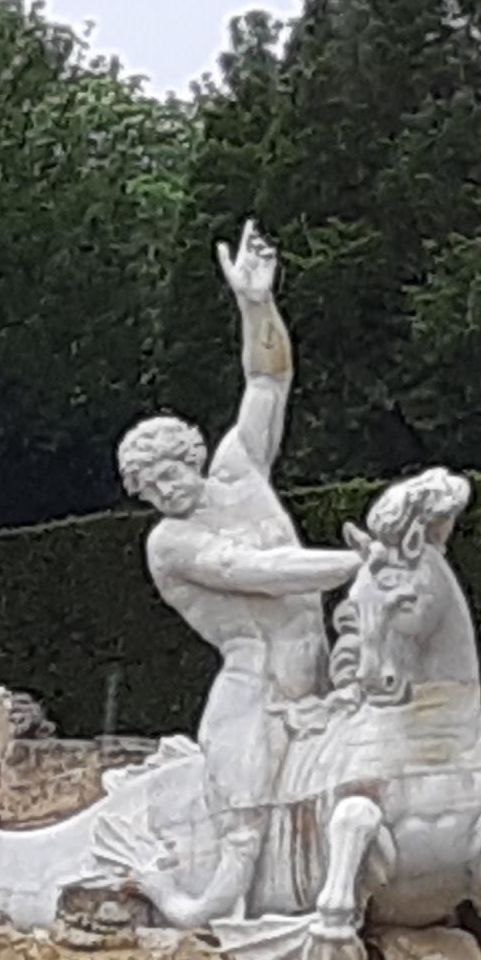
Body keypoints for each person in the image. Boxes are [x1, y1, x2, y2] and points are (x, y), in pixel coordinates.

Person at [128, 221, 359, 923]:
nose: (158, 489)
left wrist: (256, 305)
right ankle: (181, 907)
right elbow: (266, 572)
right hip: (253, 694)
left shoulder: (239, 465)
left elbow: (268, 379)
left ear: (189, 454)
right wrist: (367, 559)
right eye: (144, 487)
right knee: (244, 843)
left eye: (162, 471)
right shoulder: (169, 544)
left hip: (320, 670)